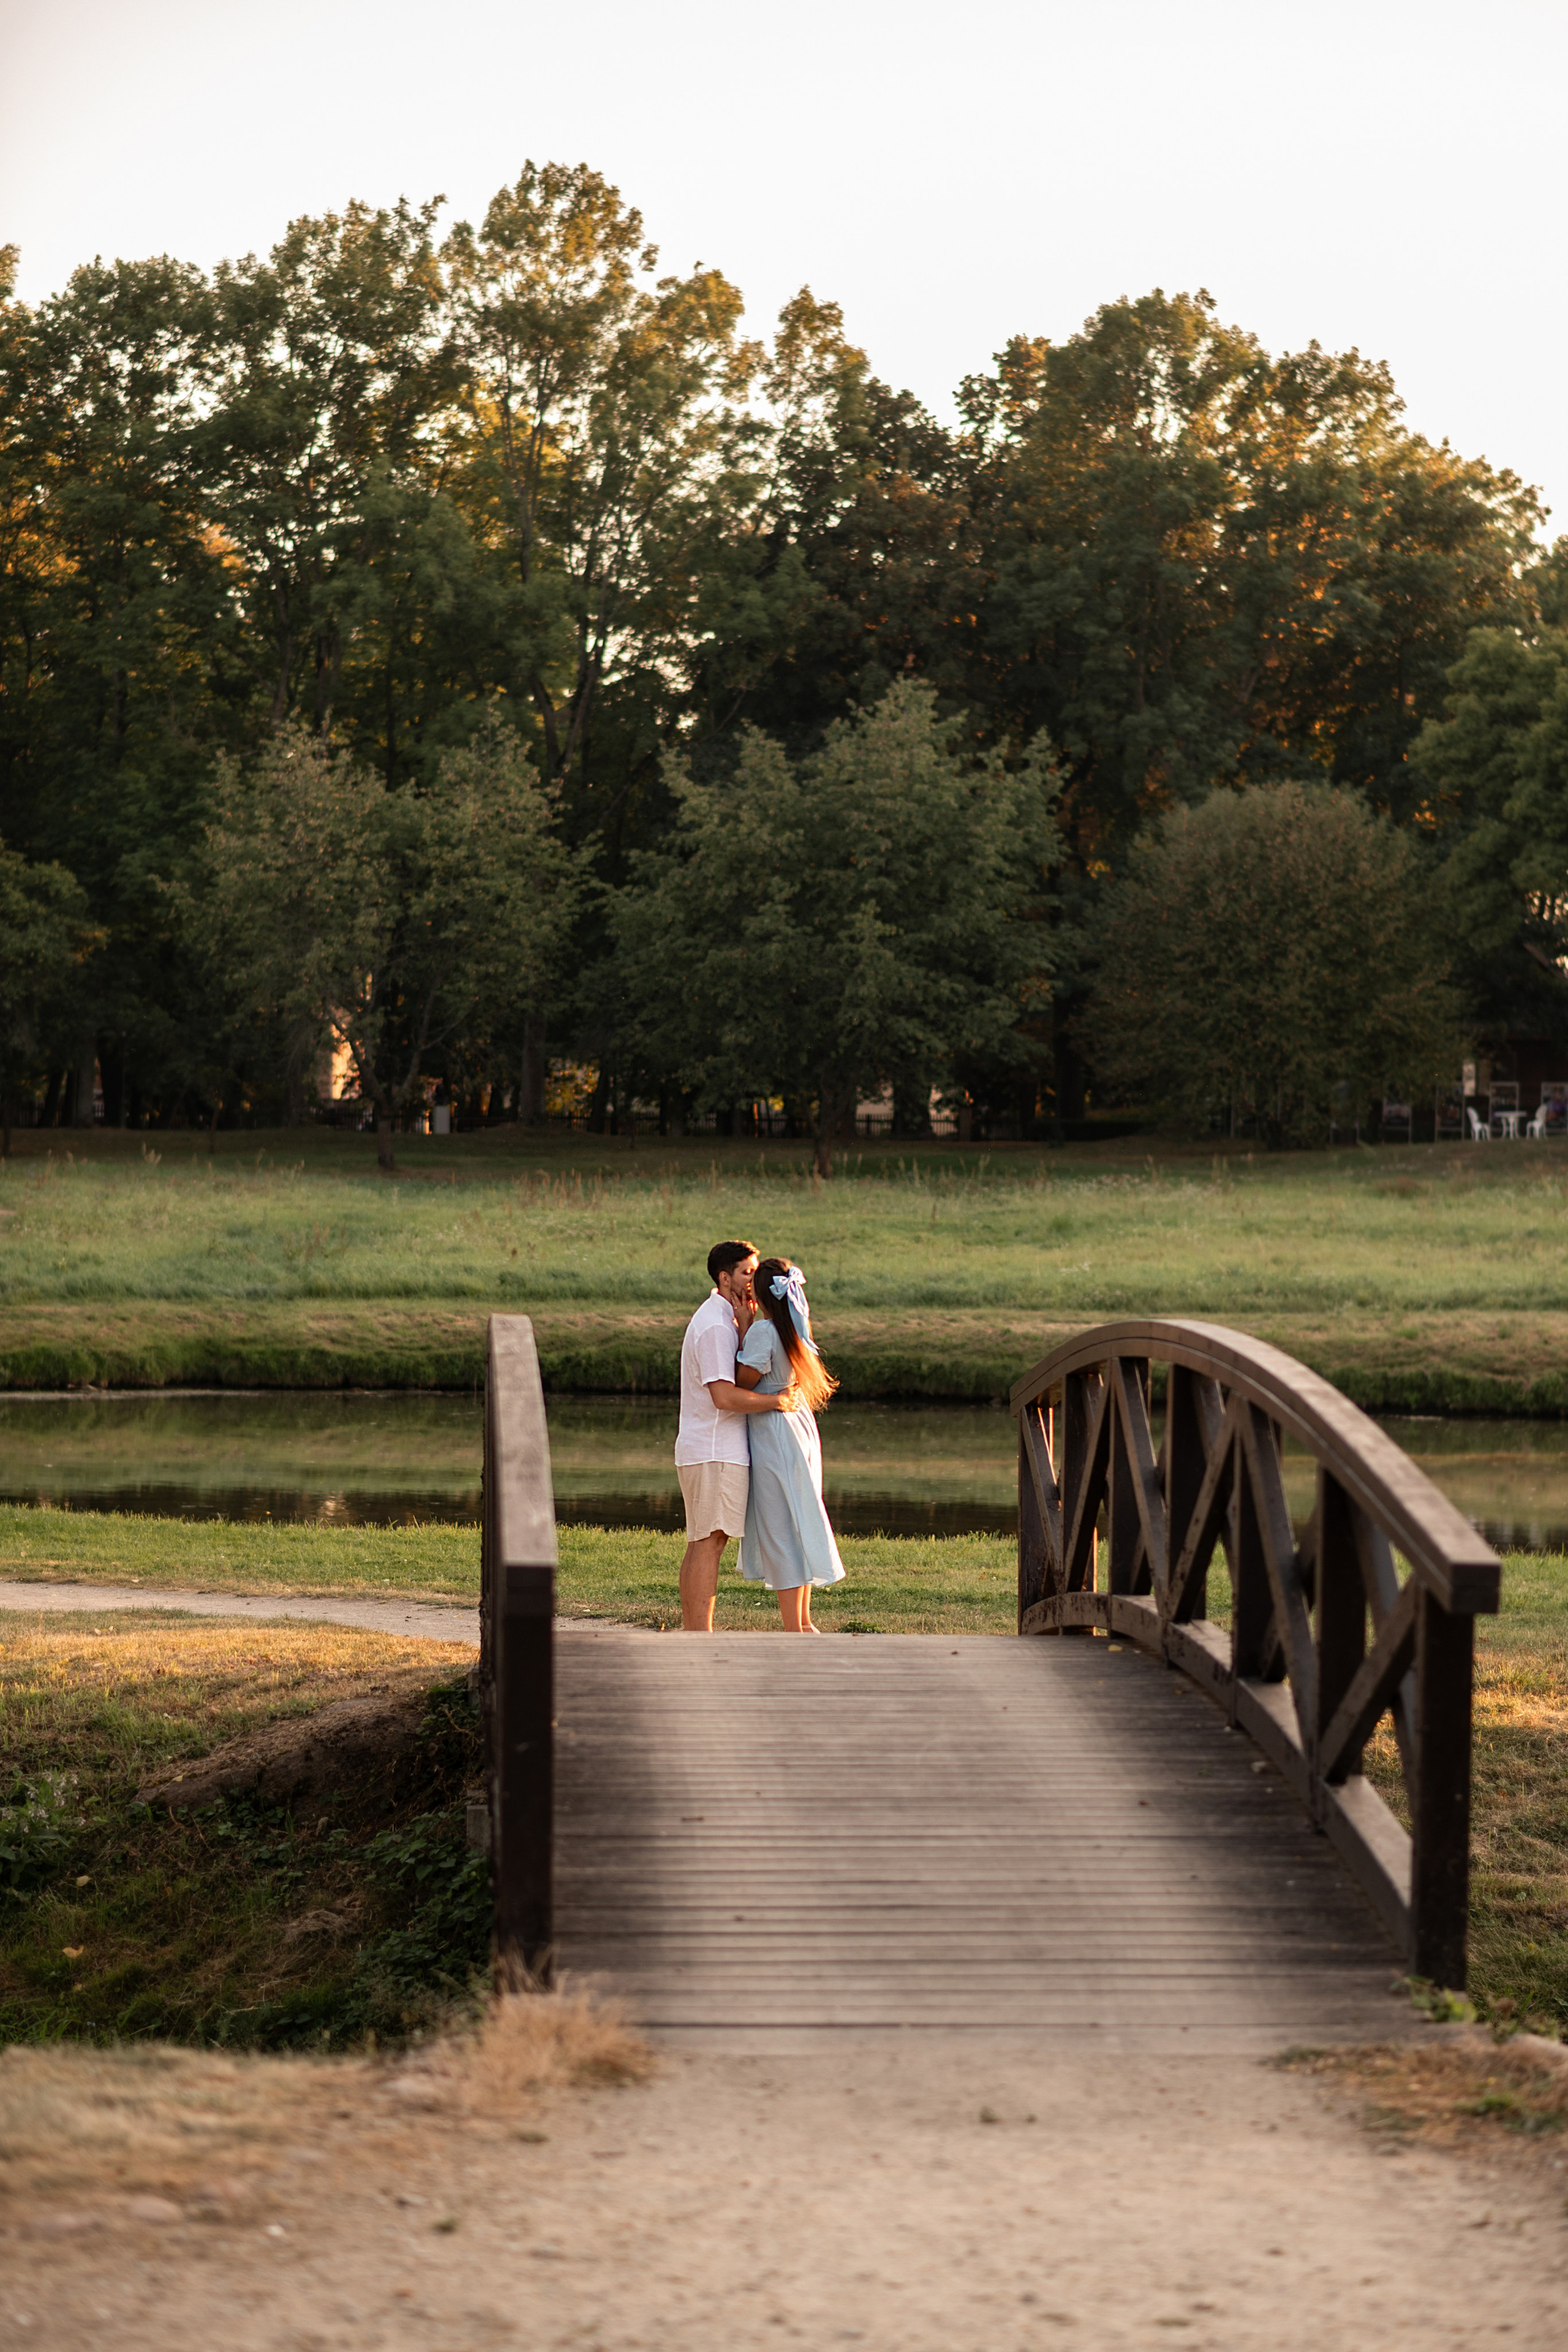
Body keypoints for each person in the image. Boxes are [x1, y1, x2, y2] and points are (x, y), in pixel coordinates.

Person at [674, 1240, 797, 1632]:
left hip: (710, 1449)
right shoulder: (714, 1326)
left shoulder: (723, 1319)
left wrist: (744, 1326)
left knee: (705, 1541)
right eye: (747, 1272)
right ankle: (699, 1635)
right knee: (709, 1542)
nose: (754, 1279)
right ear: (725, 1278)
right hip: (715, 1450)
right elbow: (724, 1397)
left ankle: (694, 1633)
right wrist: (778, 1401)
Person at [734, 1257, 845, 1632]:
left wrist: (744, 1328)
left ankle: (793, 1628)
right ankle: (804, 1622)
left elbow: (743, 1383)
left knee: (779, 1525)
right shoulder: (796, 1326)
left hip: (774, 1429)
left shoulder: (764, 1332)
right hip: (800, 1423)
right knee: (798, 1516)